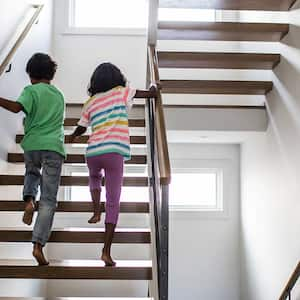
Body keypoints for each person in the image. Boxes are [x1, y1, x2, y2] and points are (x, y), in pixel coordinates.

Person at [69, 62, 156, 266]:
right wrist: (153, 86)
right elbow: (148, 95)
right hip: (114, 151)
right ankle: (106, 252)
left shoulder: (90, 102)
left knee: (94, 178)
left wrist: (72, 136)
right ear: (117, 78)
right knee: (113, 200)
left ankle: (96, 211)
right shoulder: (120, 92)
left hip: (93, 152)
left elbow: (82, 128)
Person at [0, 53, 65, 265]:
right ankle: (38, 245)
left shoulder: (30, 90)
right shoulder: (59, 95)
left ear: (31, 74)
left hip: (33, 144)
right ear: (51, 74)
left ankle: (28, 201)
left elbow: (17, 108)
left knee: (31, 173)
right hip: (54, 147)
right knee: (48, 199)